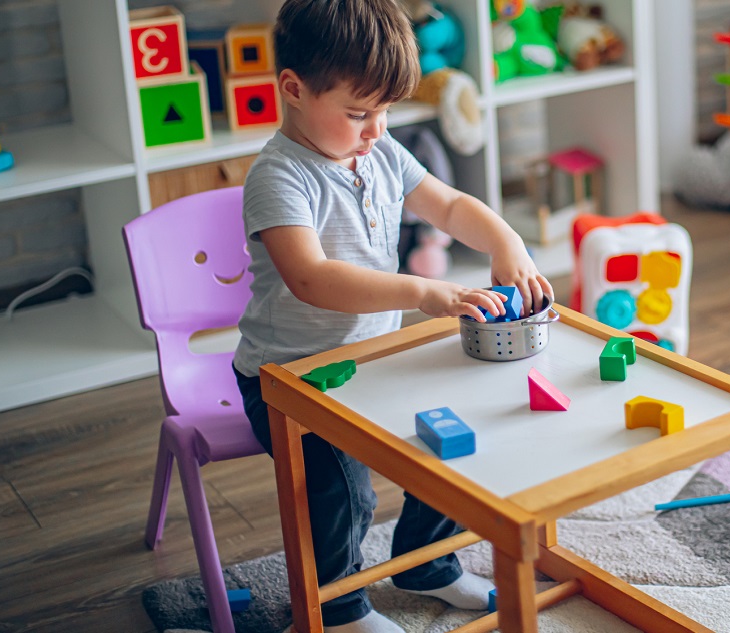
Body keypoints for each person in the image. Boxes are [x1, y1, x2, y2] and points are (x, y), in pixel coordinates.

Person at [231, 1, 553, 631]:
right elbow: (311, 278)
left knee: (456, 439)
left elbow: (450, 206)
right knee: (340, 488)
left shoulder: (378, 152)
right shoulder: (278, 176)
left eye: (385, 112)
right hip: (290, 378)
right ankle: (338, 608)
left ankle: (426, 565)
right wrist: (423, 292)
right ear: (293, 89)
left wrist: (505, 240)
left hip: (373, 361)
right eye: (359, 113)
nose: (376, 129)